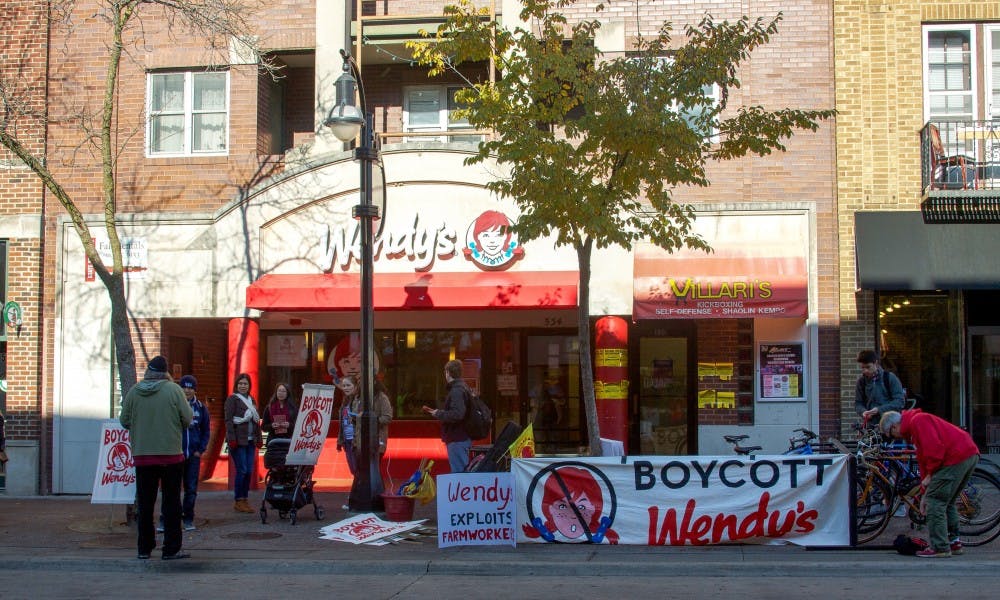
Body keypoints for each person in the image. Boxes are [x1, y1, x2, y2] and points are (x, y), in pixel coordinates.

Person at [119, 355, 193, 560]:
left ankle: (144, 548)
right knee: (171, 503)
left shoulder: (134, 392)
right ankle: (171, 548)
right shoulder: (174, 390)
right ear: (165, 372)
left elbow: (124, 420)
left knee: (145, 503)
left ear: (148, 372)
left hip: (143, 456)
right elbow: (187, 419)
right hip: (171, 456)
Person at [880, 409, 980, 558]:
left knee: (936, 502)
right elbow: (923, 461)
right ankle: (954, 543)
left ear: (894, 426)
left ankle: (940, 547)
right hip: (967, 453)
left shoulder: (918, 422)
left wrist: (930, 477)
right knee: (948, 501)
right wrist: (923, 491)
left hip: (955, 457)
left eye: (891, 435)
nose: (894, 438)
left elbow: (934, 452)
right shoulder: (915, 424)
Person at [159, 375, 210, 532]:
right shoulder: (172, 406)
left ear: (195, 390)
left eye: (190, 388)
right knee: (171, 489)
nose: (187, 390)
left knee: (191, 490)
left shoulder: (201, 408)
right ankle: (165, 519)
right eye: (184, 387)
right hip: (175, 454)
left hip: (192, 456)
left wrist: (200, 450)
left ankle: (188, 518)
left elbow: (206, 430)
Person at [422, 359, 471, 473]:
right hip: (462, 436)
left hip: (457, 437)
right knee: (461, 470)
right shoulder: (463, 387)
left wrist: (438, 413)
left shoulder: (456, 390)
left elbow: (457, 414)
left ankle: (460, 491)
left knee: (459, 472)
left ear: (448, 372)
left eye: (445, 372)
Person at [224, 373, 263, 513]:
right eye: (240, 383)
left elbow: (256, 421)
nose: (243, 386)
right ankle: (239, 500)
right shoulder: (232, 400)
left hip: (251, 440)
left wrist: (259, 439)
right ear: (236, 385)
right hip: (238, 442)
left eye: (245, 384)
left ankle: (244, 499)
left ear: (249, 386)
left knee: (249, 471)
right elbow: (228, 421)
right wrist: (232, 439)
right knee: (242, 470)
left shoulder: (252, 400)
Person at [855, 350, 905, 421]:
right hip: (870, 424)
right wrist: (863, 411)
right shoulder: (861, 382)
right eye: (863, 368)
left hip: (890, 423)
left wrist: (879, 409)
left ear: (876, 363)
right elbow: (858, 403)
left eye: (868, 367)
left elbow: (900, 401)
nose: (865, 370)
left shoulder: (889, 378)